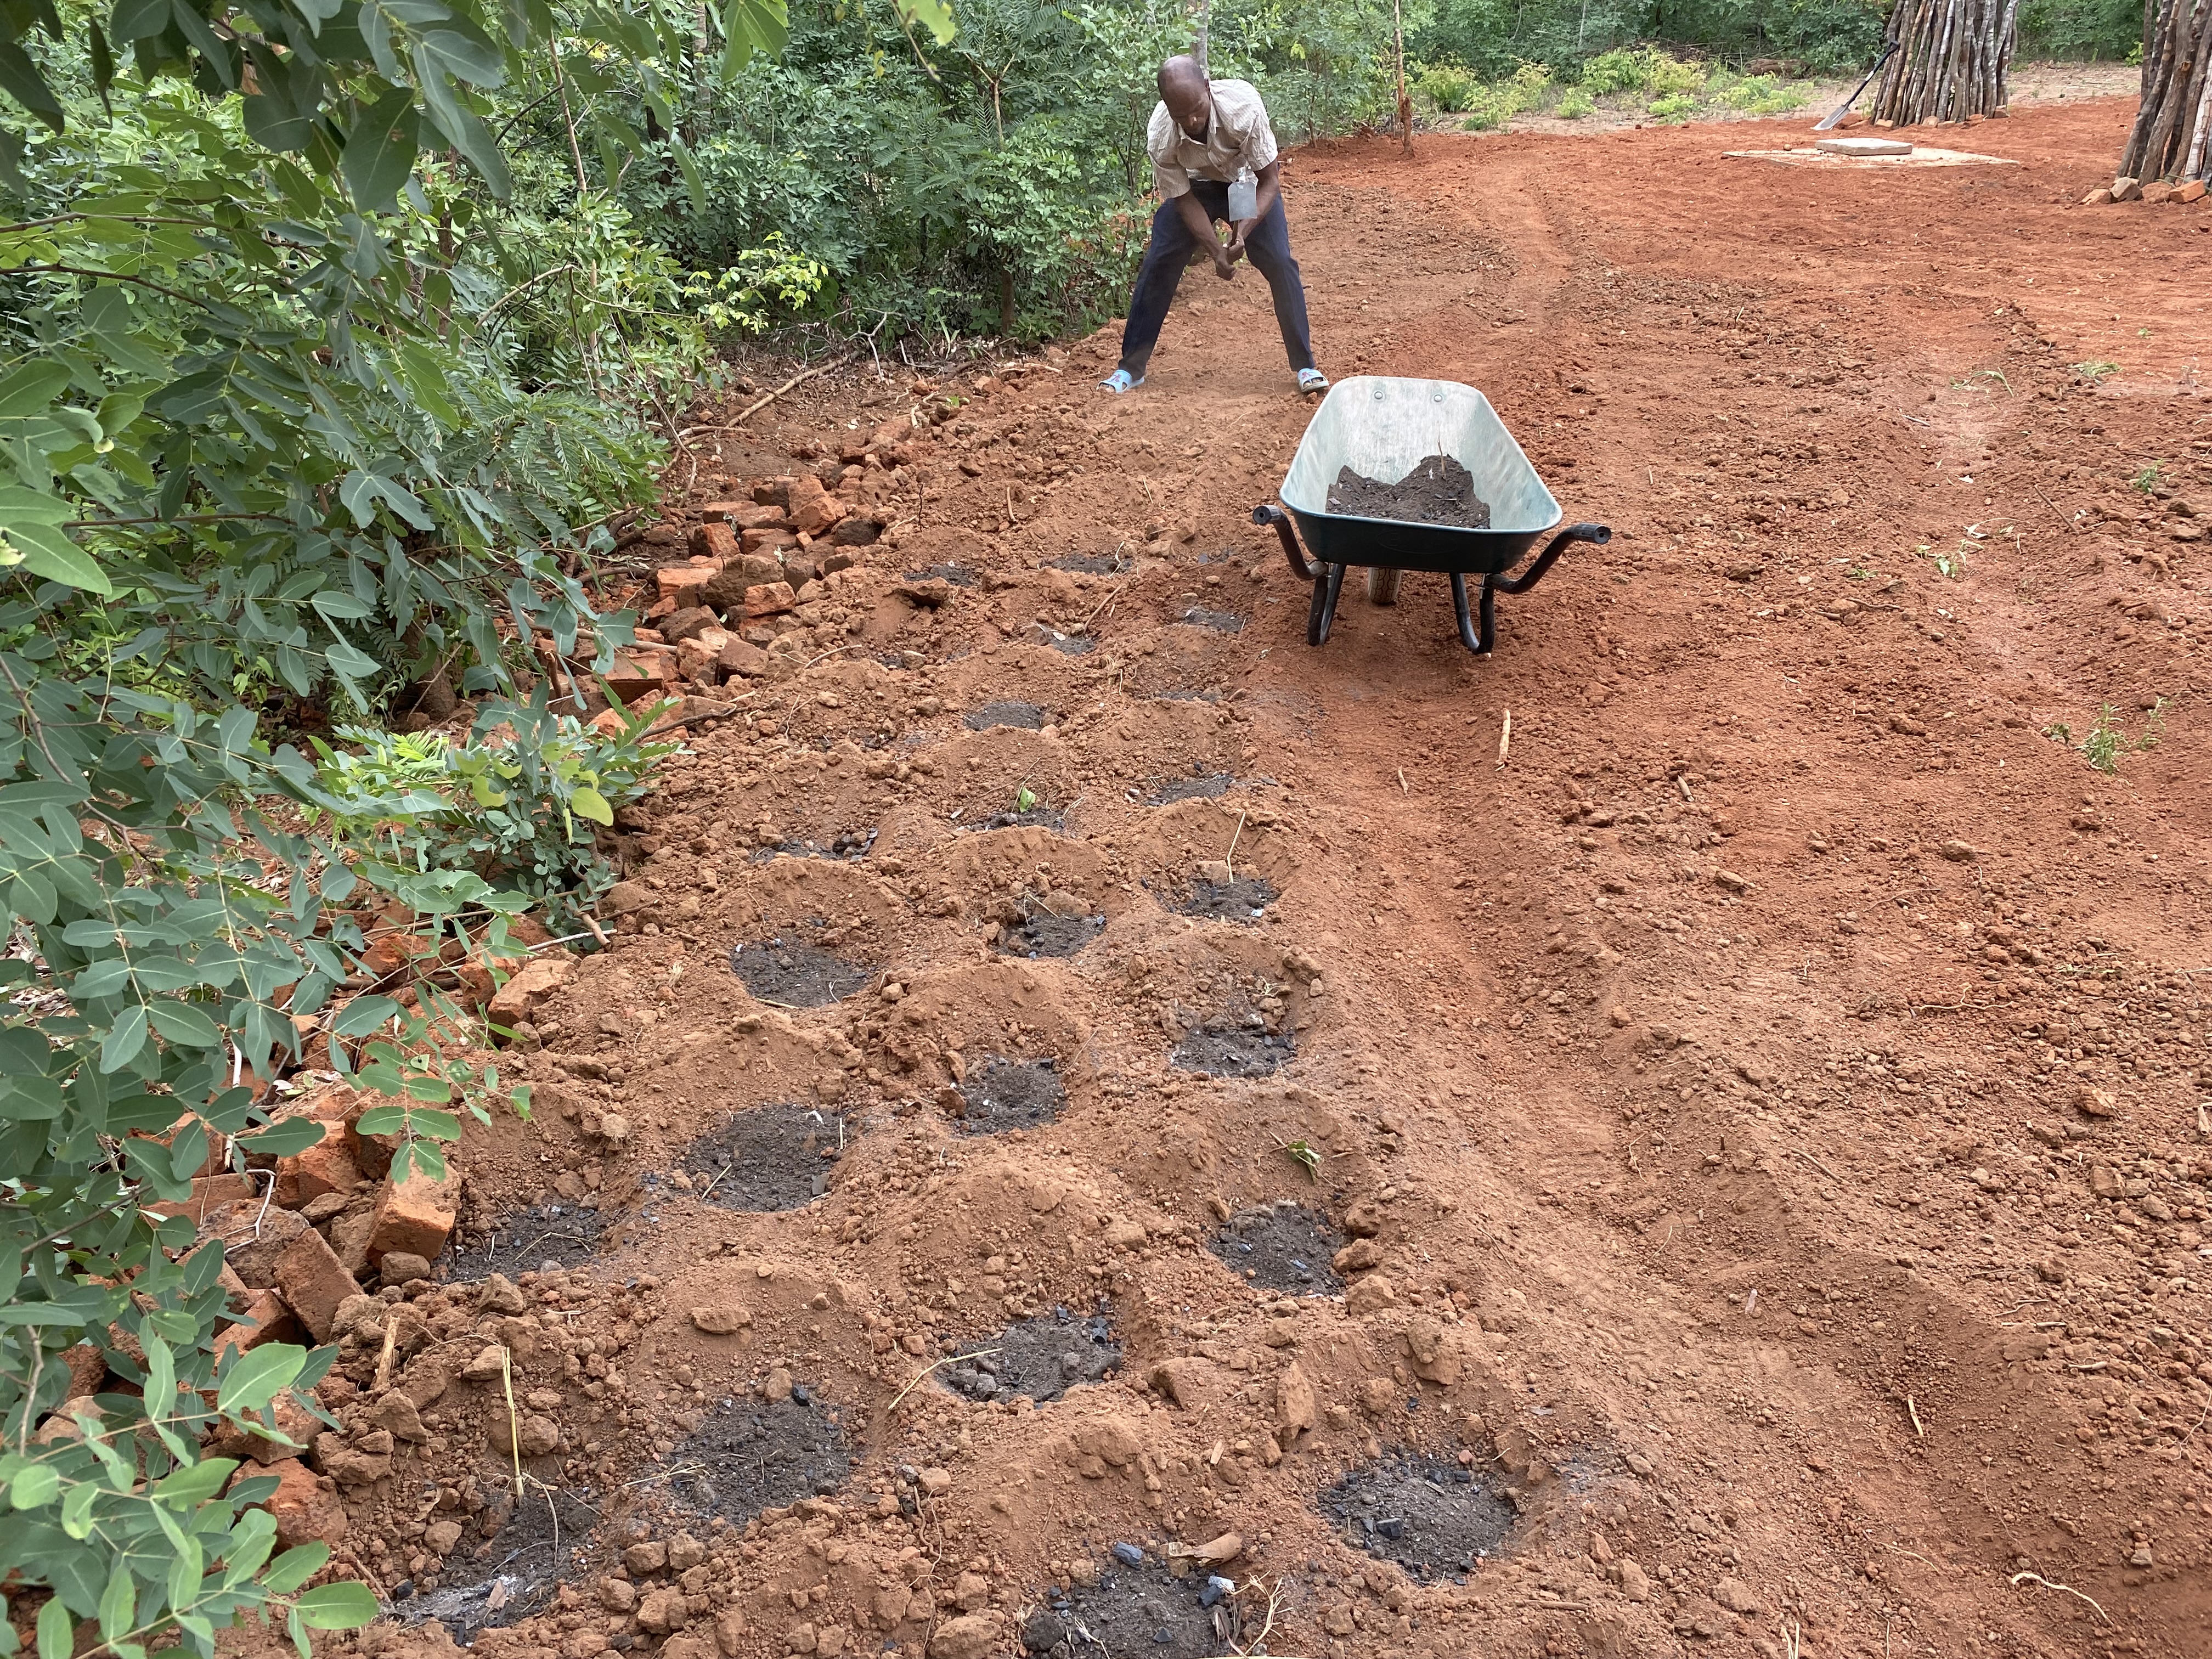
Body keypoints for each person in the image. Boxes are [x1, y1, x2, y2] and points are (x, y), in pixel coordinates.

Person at [1100, 56, 1327, 398]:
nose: (1192, 120)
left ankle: (1305, 365)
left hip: (1245, 182)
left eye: (1196, 109)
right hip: (1197, 188)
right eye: (1181, 115)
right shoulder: (1161, 134)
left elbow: (1269, 181)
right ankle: (1131, 369)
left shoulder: (1243, 108)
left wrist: (1243, 234)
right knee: (1160, 262)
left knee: (1279, 261)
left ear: (1208, 89)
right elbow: (1183, 198)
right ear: (1166, 107)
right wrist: (1216, 251)